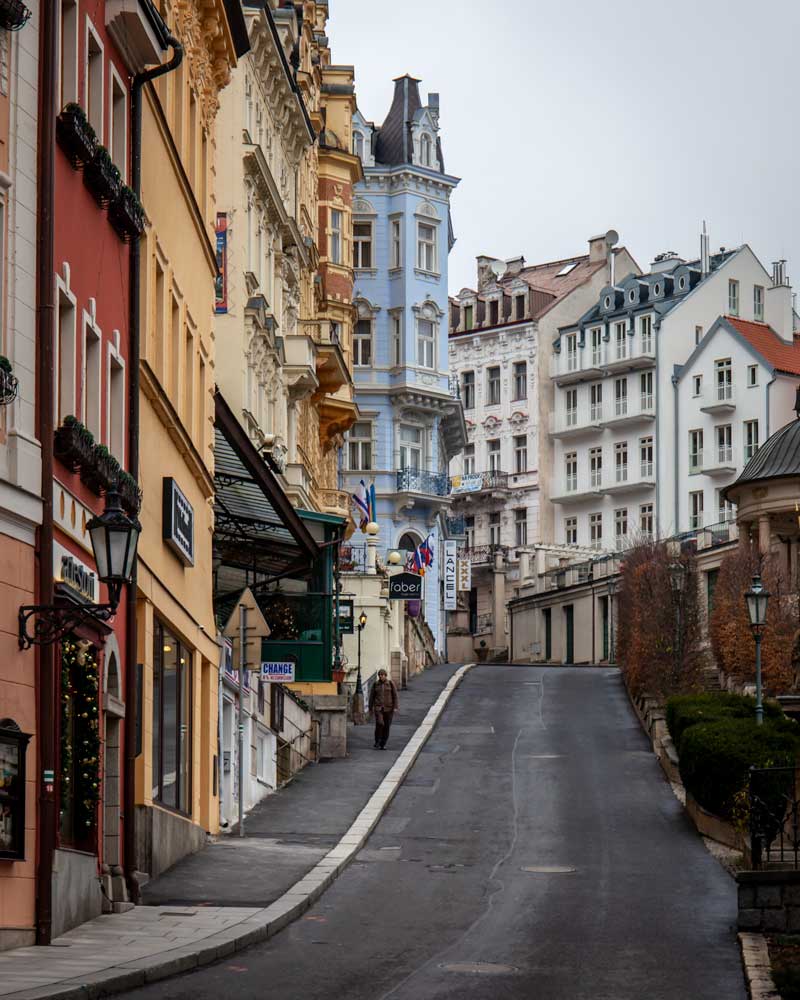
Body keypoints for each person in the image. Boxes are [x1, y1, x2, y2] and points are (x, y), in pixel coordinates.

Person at [369, 668, 398, 750]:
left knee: (387, 726)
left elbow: (395, 696)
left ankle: (383, 743)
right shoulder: (376, 684)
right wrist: (370, 708)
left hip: (389, 708)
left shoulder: (390, 683)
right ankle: (377, 741)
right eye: (380, 675)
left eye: (382, 675)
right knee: (380, 723)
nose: (381, 676)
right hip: (378, 708)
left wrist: (395, 707)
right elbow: (372, 696)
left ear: (385, 675)